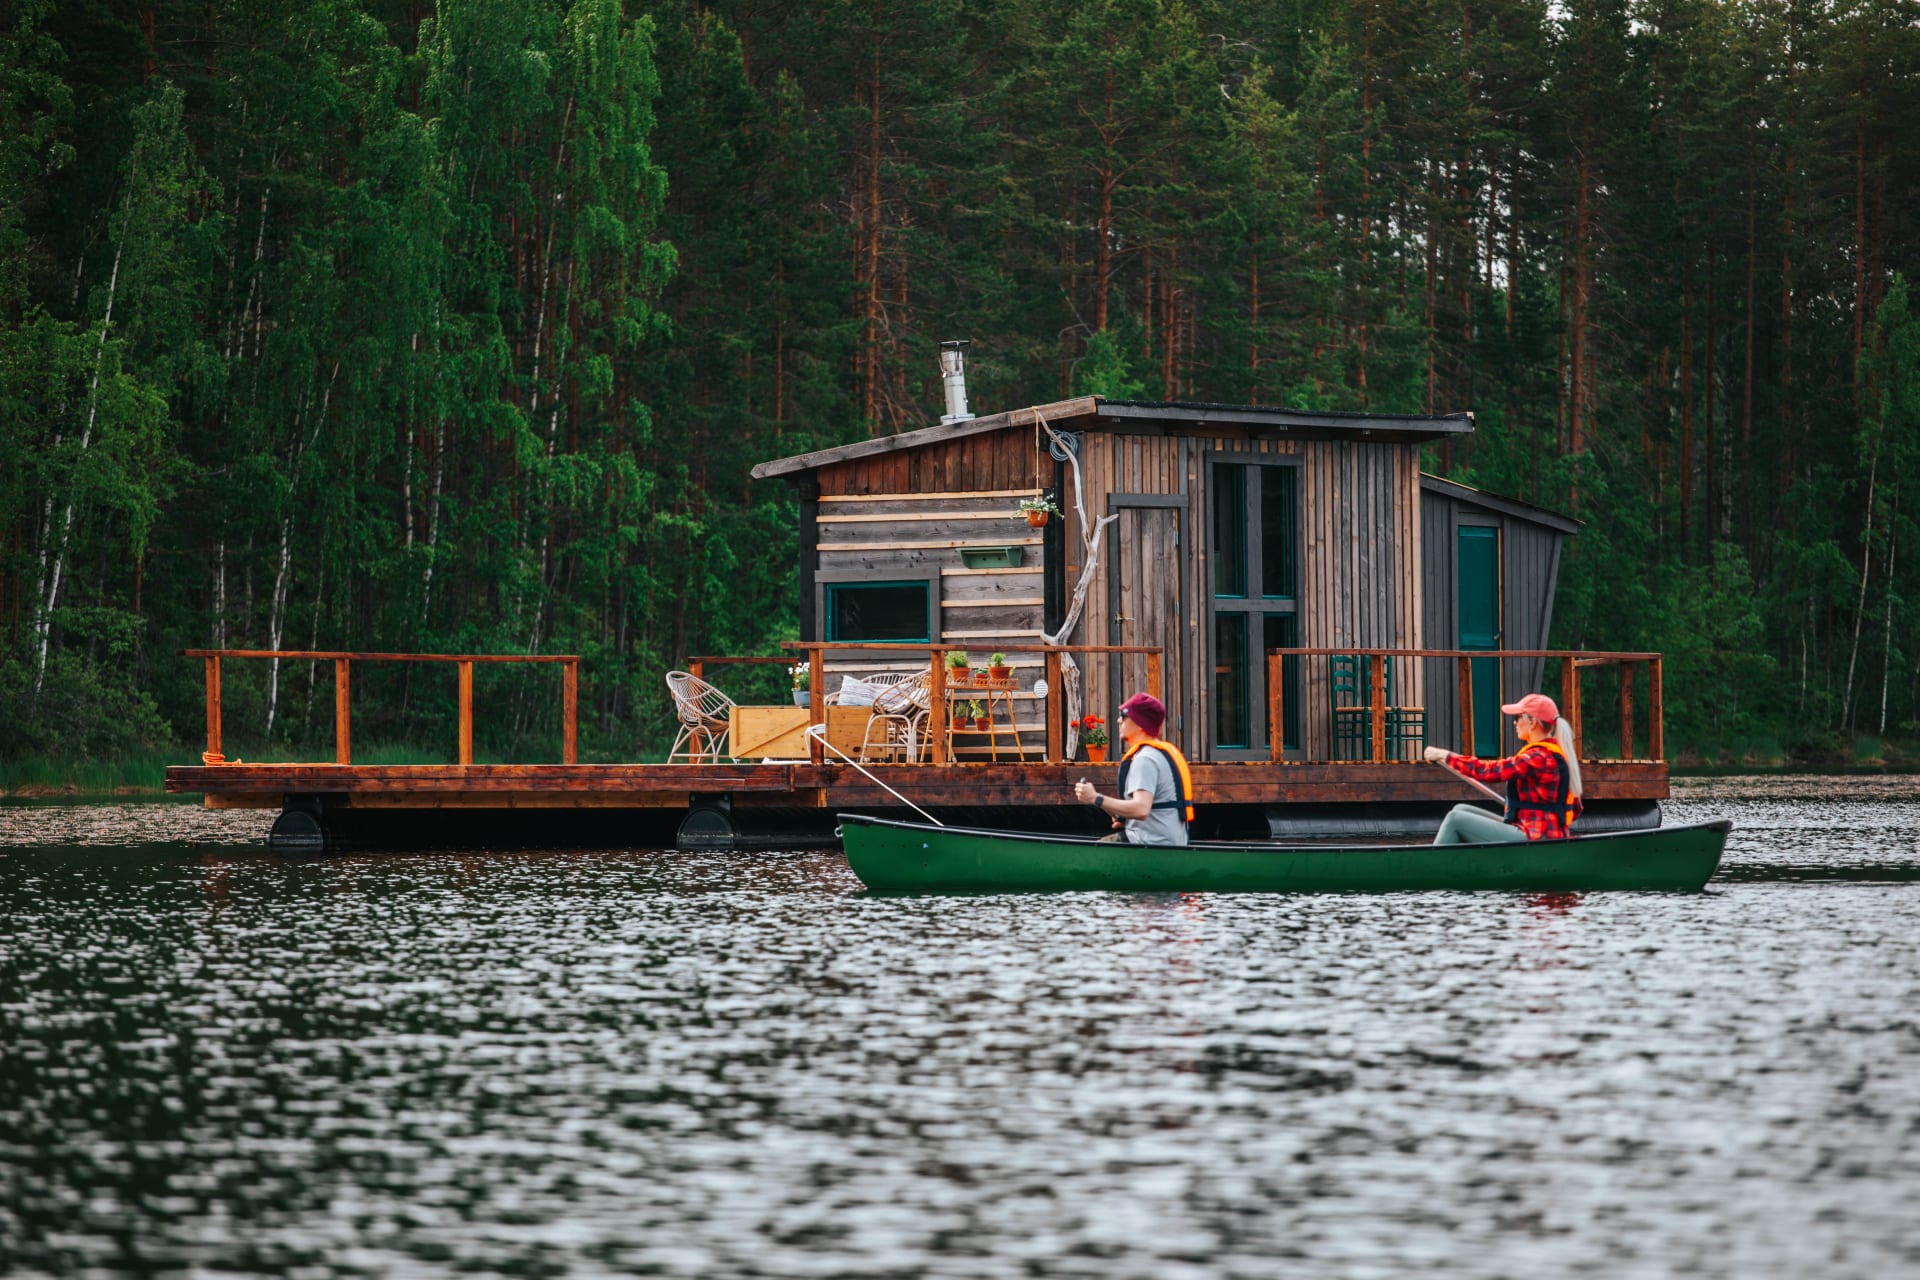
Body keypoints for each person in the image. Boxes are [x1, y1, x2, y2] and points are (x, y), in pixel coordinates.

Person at [1421, 692, 1583, 844]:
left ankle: (1427, 868)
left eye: (1518, 717)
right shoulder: (1554, 754)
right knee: (1461, 809)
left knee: (1455, 820)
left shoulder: (1538, 757)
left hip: (1535, 837)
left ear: (1532, 722)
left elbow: (1489, 771)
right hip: (1538, 832)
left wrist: (1445, 755)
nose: (1514, 723)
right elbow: (1576, 809)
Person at [1071, 692, 1193, 846]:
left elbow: (1141, 809)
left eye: (1124, 715)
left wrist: (1095, 798)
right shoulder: (1157, 754)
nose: (1118, 720)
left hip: (1150, 842)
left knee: (1086, 856)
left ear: (1141, 724)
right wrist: (1121, 817)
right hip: (1169, 840)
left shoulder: (1145, 759)